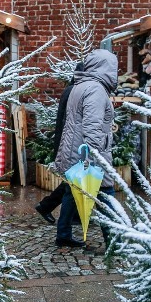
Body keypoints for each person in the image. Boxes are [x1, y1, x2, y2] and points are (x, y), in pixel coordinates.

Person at [53, 49, 118, 248]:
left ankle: (63, 234)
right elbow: (92, 126)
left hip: (73, 150)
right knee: (107, 194)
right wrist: (92, 157)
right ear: (107, 68)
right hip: (87, 153)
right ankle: (115, 241)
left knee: (72, 192)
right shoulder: (96, 90)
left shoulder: (79, 86)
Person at [34, 62, 84, 225]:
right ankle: (46, 206)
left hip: (68, 140)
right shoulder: (74, 92)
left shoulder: (71, 89)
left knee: (75, 179)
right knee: (73, 181)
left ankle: (70, 213)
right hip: (70, 142)